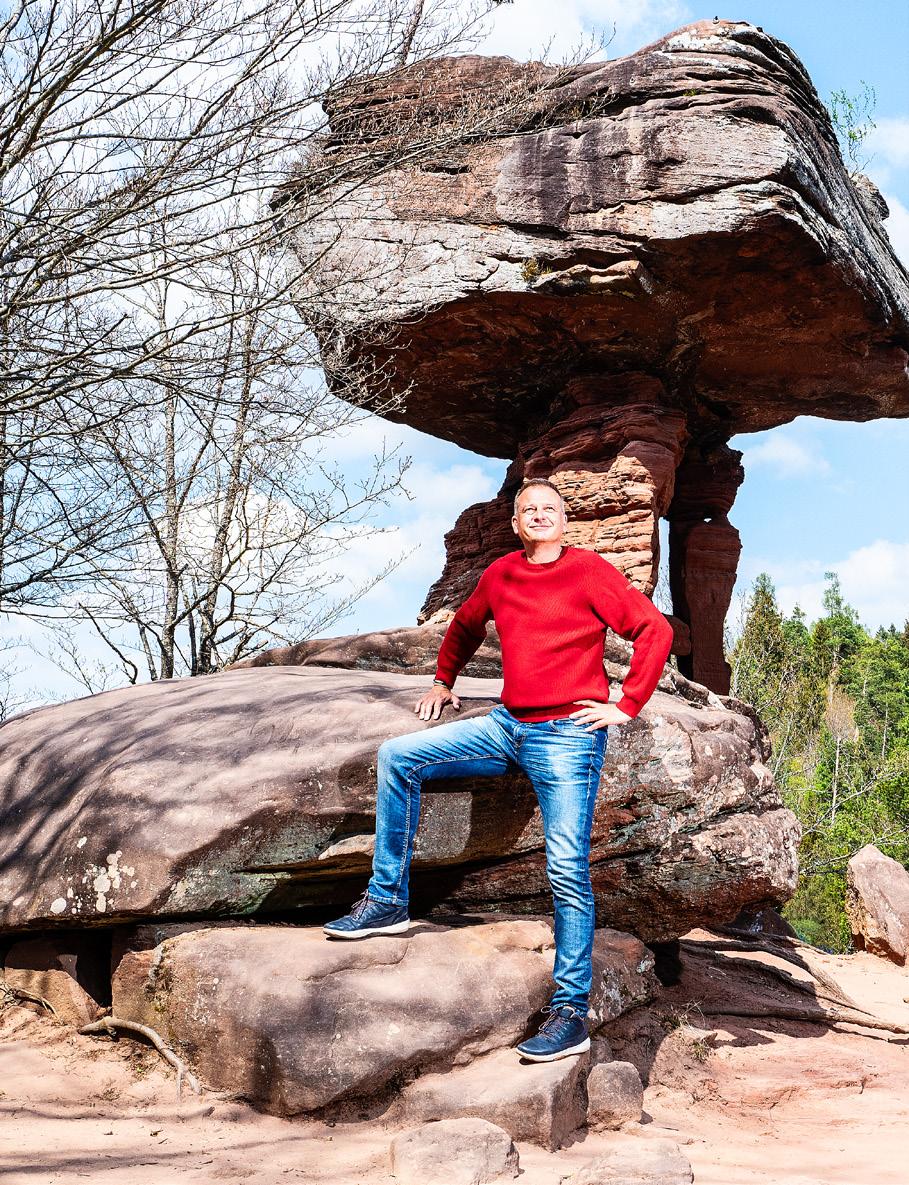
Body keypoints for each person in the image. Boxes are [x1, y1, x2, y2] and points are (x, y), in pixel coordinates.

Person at [324, 479, 674, 1062]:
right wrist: (443, 681)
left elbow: (653, 630)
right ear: (515, 524)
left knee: (566, 867)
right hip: (507, 725)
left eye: (549, 509)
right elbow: (465, 625)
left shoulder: (589, 572)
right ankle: (386, 902)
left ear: (565, 520)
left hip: (568, 736)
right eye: (528, 510)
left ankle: (570, 1013)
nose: (539, 516)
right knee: (399, 756)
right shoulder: (501, 574)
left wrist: (626, 703)